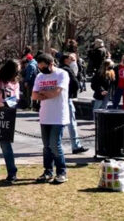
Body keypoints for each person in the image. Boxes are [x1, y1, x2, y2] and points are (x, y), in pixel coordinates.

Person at [32, 54, 70, 184]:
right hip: (44, 116)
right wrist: (46, 94)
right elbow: (34, 95)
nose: (42, 70)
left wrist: (43, 94)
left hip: (58, 115)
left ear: (51, 63)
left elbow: (57, 92)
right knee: (46, 146)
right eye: (40, 67)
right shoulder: (39, 76)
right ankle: (48, 171)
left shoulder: (62, 74)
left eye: (43, 67)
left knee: (55, 144)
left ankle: (62, 171)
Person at [59, 54, 88, 154]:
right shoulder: (67, 69)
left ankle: (55, 144)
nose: (73, 61)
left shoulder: (60, 69)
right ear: (66, 60)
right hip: (67, 98)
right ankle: (76, 146)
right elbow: (75, 83)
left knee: (61, 123)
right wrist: (73, 92)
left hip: (62, 98)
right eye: (71, 59)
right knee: (71, 122)